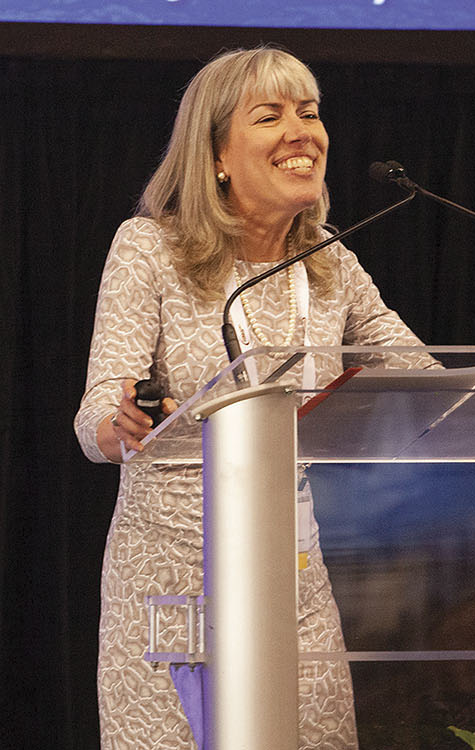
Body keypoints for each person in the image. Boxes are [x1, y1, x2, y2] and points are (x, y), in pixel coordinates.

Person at [73, 47, 436, 749]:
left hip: (295, 586)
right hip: (171, 590)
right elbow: (96, 415)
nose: (303, 132)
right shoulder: (150, 249)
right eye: (270, 116)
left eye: (310, 112)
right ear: (216, 157)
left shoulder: (332, 261)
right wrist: (116, 424)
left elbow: (424, 380)